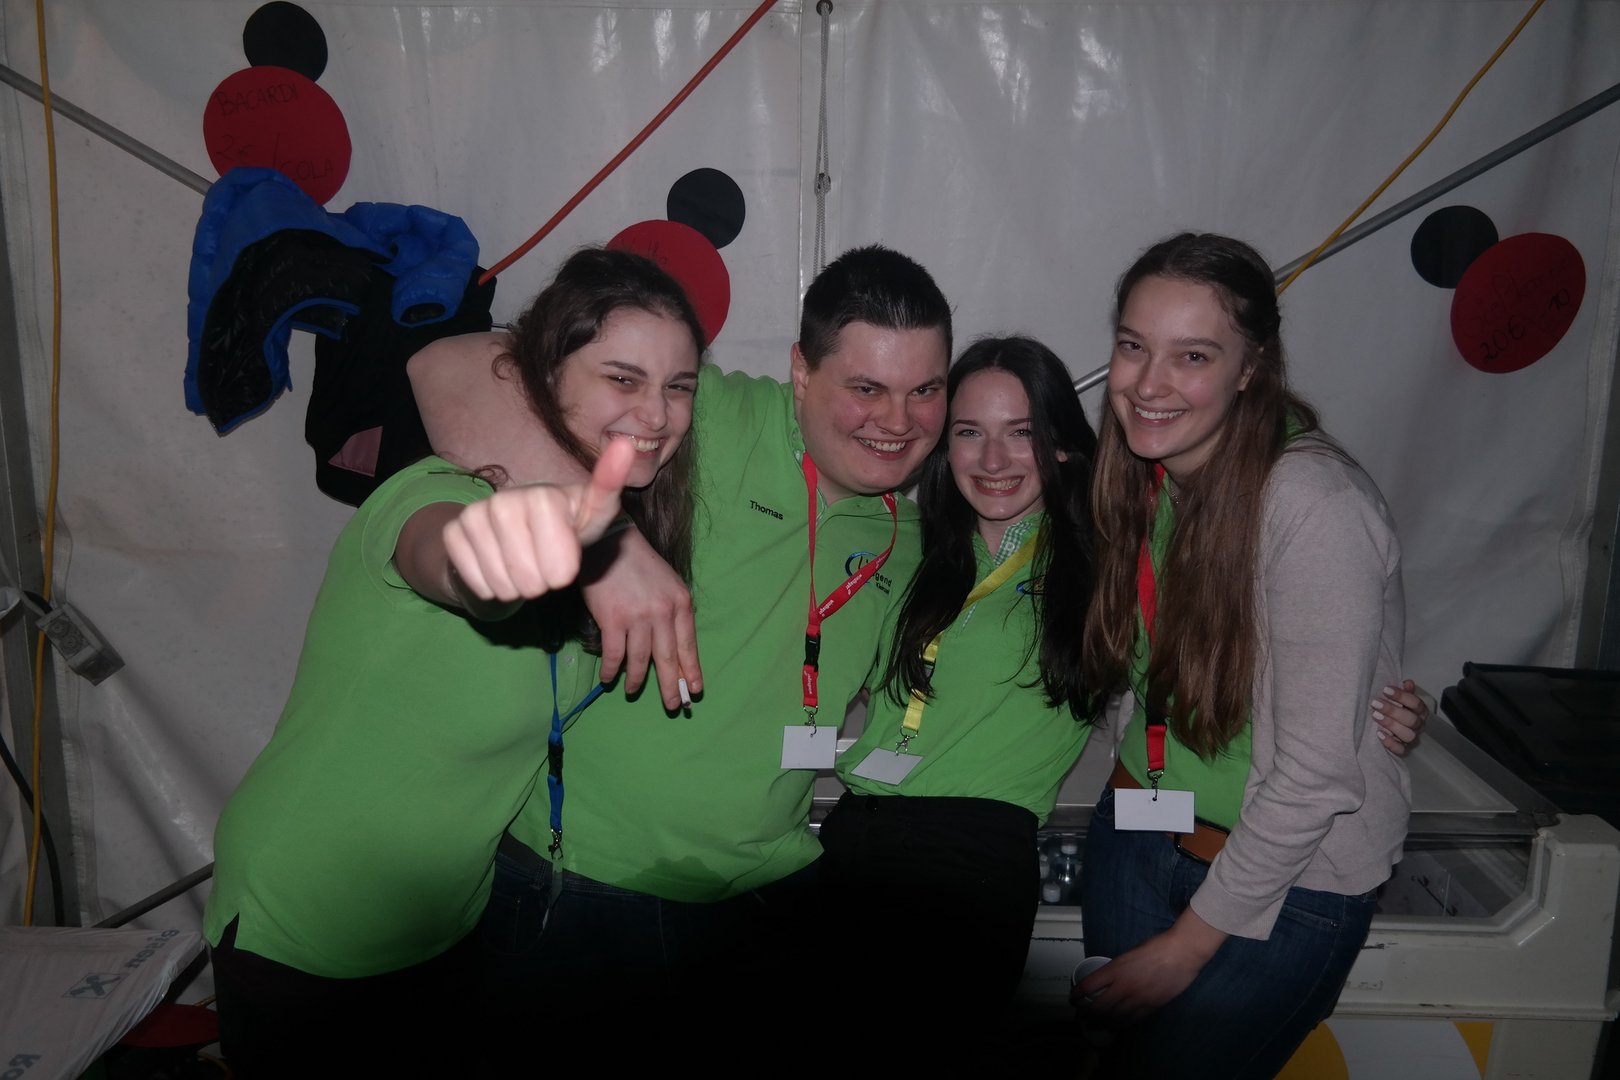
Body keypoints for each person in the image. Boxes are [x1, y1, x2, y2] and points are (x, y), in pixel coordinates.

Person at [409, 244, 953, 1032]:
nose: (898, 422)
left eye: (925, 390)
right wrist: (606, 540)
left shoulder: (911, 536)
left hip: (770, 896)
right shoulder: (718, 414)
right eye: (867, 388)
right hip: (590, 891)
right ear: (802, 373)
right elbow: (445, 366)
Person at [202, 247, 707, 1076]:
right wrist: (492, 558)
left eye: (678, 386)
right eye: (623, 378)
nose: (657, 412)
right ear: (545, 375)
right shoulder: (432, 491)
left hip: (447, 922)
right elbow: (448, 558)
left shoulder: (634, 534)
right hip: (309, 915)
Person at [1073, 232, 1409, 1079]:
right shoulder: (1144, 473)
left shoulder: (1312, 502)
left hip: (1289, 884)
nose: (1149, 383)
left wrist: (1186, 948)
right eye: (1133, 346)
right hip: (1139, 837)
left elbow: (1316, 773)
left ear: (1252, 368)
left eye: (1193, 355)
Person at [818, 336, 1098, 1044]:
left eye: (1021, 432)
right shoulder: (914, 544)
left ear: (1063, 444)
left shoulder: (1105, 565)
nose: (993, 460)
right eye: (970, 432)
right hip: (855, 835)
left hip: (971, 860)